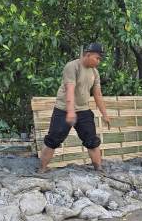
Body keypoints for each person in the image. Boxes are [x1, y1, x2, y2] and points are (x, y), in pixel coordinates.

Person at [39, 43, 111, 173]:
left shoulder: (95, 72)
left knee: (92, 140)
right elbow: (69, 90)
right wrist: (71, 112)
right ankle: (42, 169)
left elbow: (98, 95)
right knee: (53, 139)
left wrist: (105, 114)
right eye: (97, 58)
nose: (99, 62)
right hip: (63, 109)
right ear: (88, 55)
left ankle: (99, 168)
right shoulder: (72, 66)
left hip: (83, 110)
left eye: (100, 59)